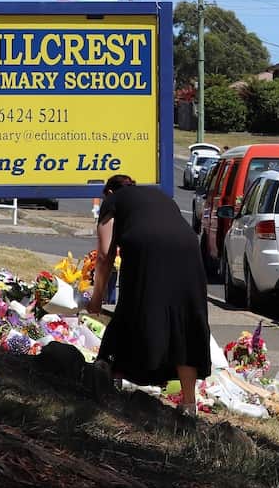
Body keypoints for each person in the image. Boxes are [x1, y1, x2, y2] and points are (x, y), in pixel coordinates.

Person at [88, 176, 212, 415]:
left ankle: (110, 379)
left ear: (110, 192)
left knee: (134, 307)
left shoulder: (114, 200)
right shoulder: (159, 196)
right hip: (188, 248)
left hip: (146, 247)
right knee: (185, 319)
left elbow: (104, 255)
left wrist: (96, 298)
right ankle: (189, 405)